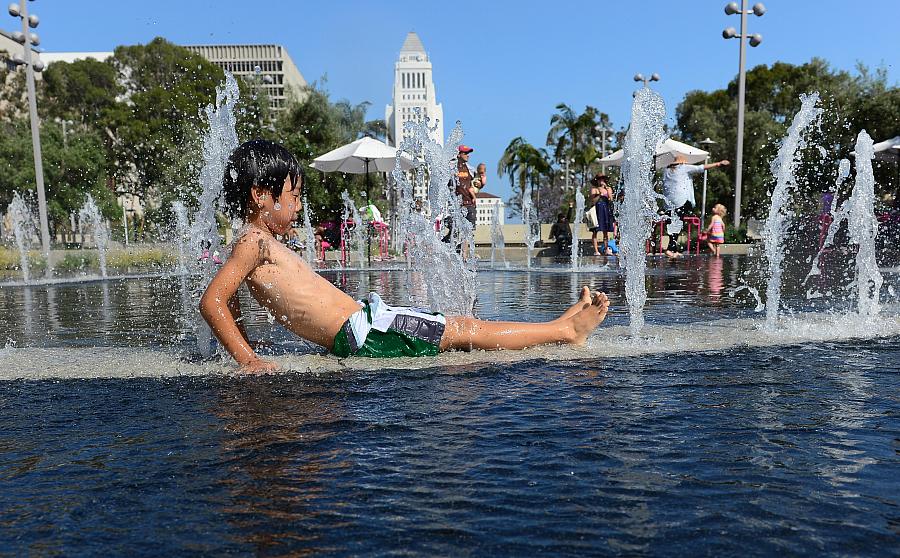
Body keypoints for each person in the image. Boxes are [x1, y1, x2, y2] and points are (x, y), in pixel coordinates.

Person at [200, 139, 611, 373]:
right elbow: (213, 301)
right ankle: (564, 333)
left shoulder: (253, 243)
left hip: (365, 323)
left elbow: (228, 299)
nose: (297, 207)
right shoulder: (253, 243)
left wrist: (243, 345)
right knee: (462, 330)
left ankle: (556, 326)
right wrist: (249, 360)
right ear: (260, 195)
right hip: (366, 330)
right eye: (293, 197)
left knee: (459, 328)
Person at [662, 154, 730, 258]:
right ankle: (670, 250)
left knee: (672, 225)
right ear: (682, 162)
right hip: (681, 202)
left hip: (668, 203)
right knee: (677, 224)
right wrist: (718, 163)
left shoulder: (666, 171)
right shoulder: (683, 167)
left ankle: (673, 250)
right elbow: (701, 168)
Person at [442, 145, 478, 243]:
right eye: (465, 153)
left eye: (468, 153)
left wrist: (474, 197)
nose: (468, 155)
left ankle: (464, 256)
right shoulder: (451, 168)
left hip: (469, 204)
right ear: (458, 155)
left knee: (469, 230)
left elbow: (471, 185)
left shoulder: (471, 169)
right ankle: (447, 242)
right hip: (456, 205)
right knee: (453, 227)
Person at [588, 174, 615, 256]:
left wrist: (607, 190)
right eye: (599, 179)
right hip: (597, 210)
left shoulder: (608, 189)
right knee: (595, 231)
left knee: (605, 231)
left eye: (602, 179)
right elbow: (593, 201)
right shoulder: (594, 189)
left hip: (605, 210)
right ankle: (596, 250)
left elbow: (611, 199)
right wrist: (599, 194)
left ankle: (606, 249)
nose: (601, 181)